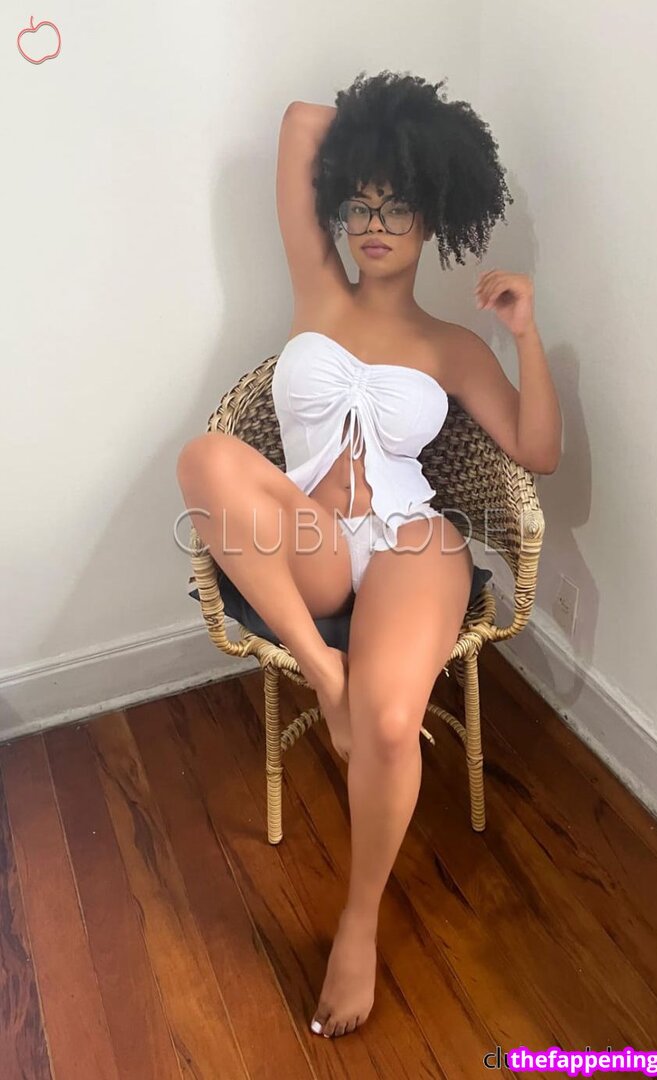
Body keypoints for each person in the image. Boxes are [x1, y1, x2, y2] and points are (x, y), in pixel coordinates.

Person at [176, 69, 562, 1041]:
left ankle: (359, 922)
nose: (374, 224)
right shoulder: (320, 287)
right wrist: (386, 135)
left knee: (394, 721)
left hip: (413, 540)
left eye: (397, 206)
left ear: (433, 217)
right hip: (314, 537)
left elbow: (539, 450)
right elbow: (302, 122)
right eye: (360, 205)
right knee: (203, 460)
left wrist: (525, 334)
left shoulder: (452, 344)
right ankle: (325, 670)